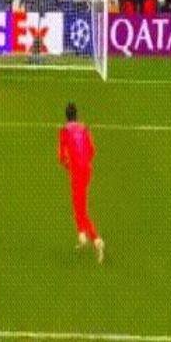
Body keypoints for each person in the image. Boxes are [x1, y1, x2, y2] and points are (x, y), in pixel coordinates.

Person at [59, 103, 104, 263]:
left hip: (76, 172)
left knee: (80, 209)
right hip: (87, 170)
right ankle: (82, 235)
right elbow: (92, 150)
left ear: (66, 116)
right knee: (79, 204)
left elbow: (62, 157)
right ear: (76, 115)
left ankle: (95, 239)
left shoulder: (64, 131)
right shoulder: (84, 128)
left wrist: (69, 165)